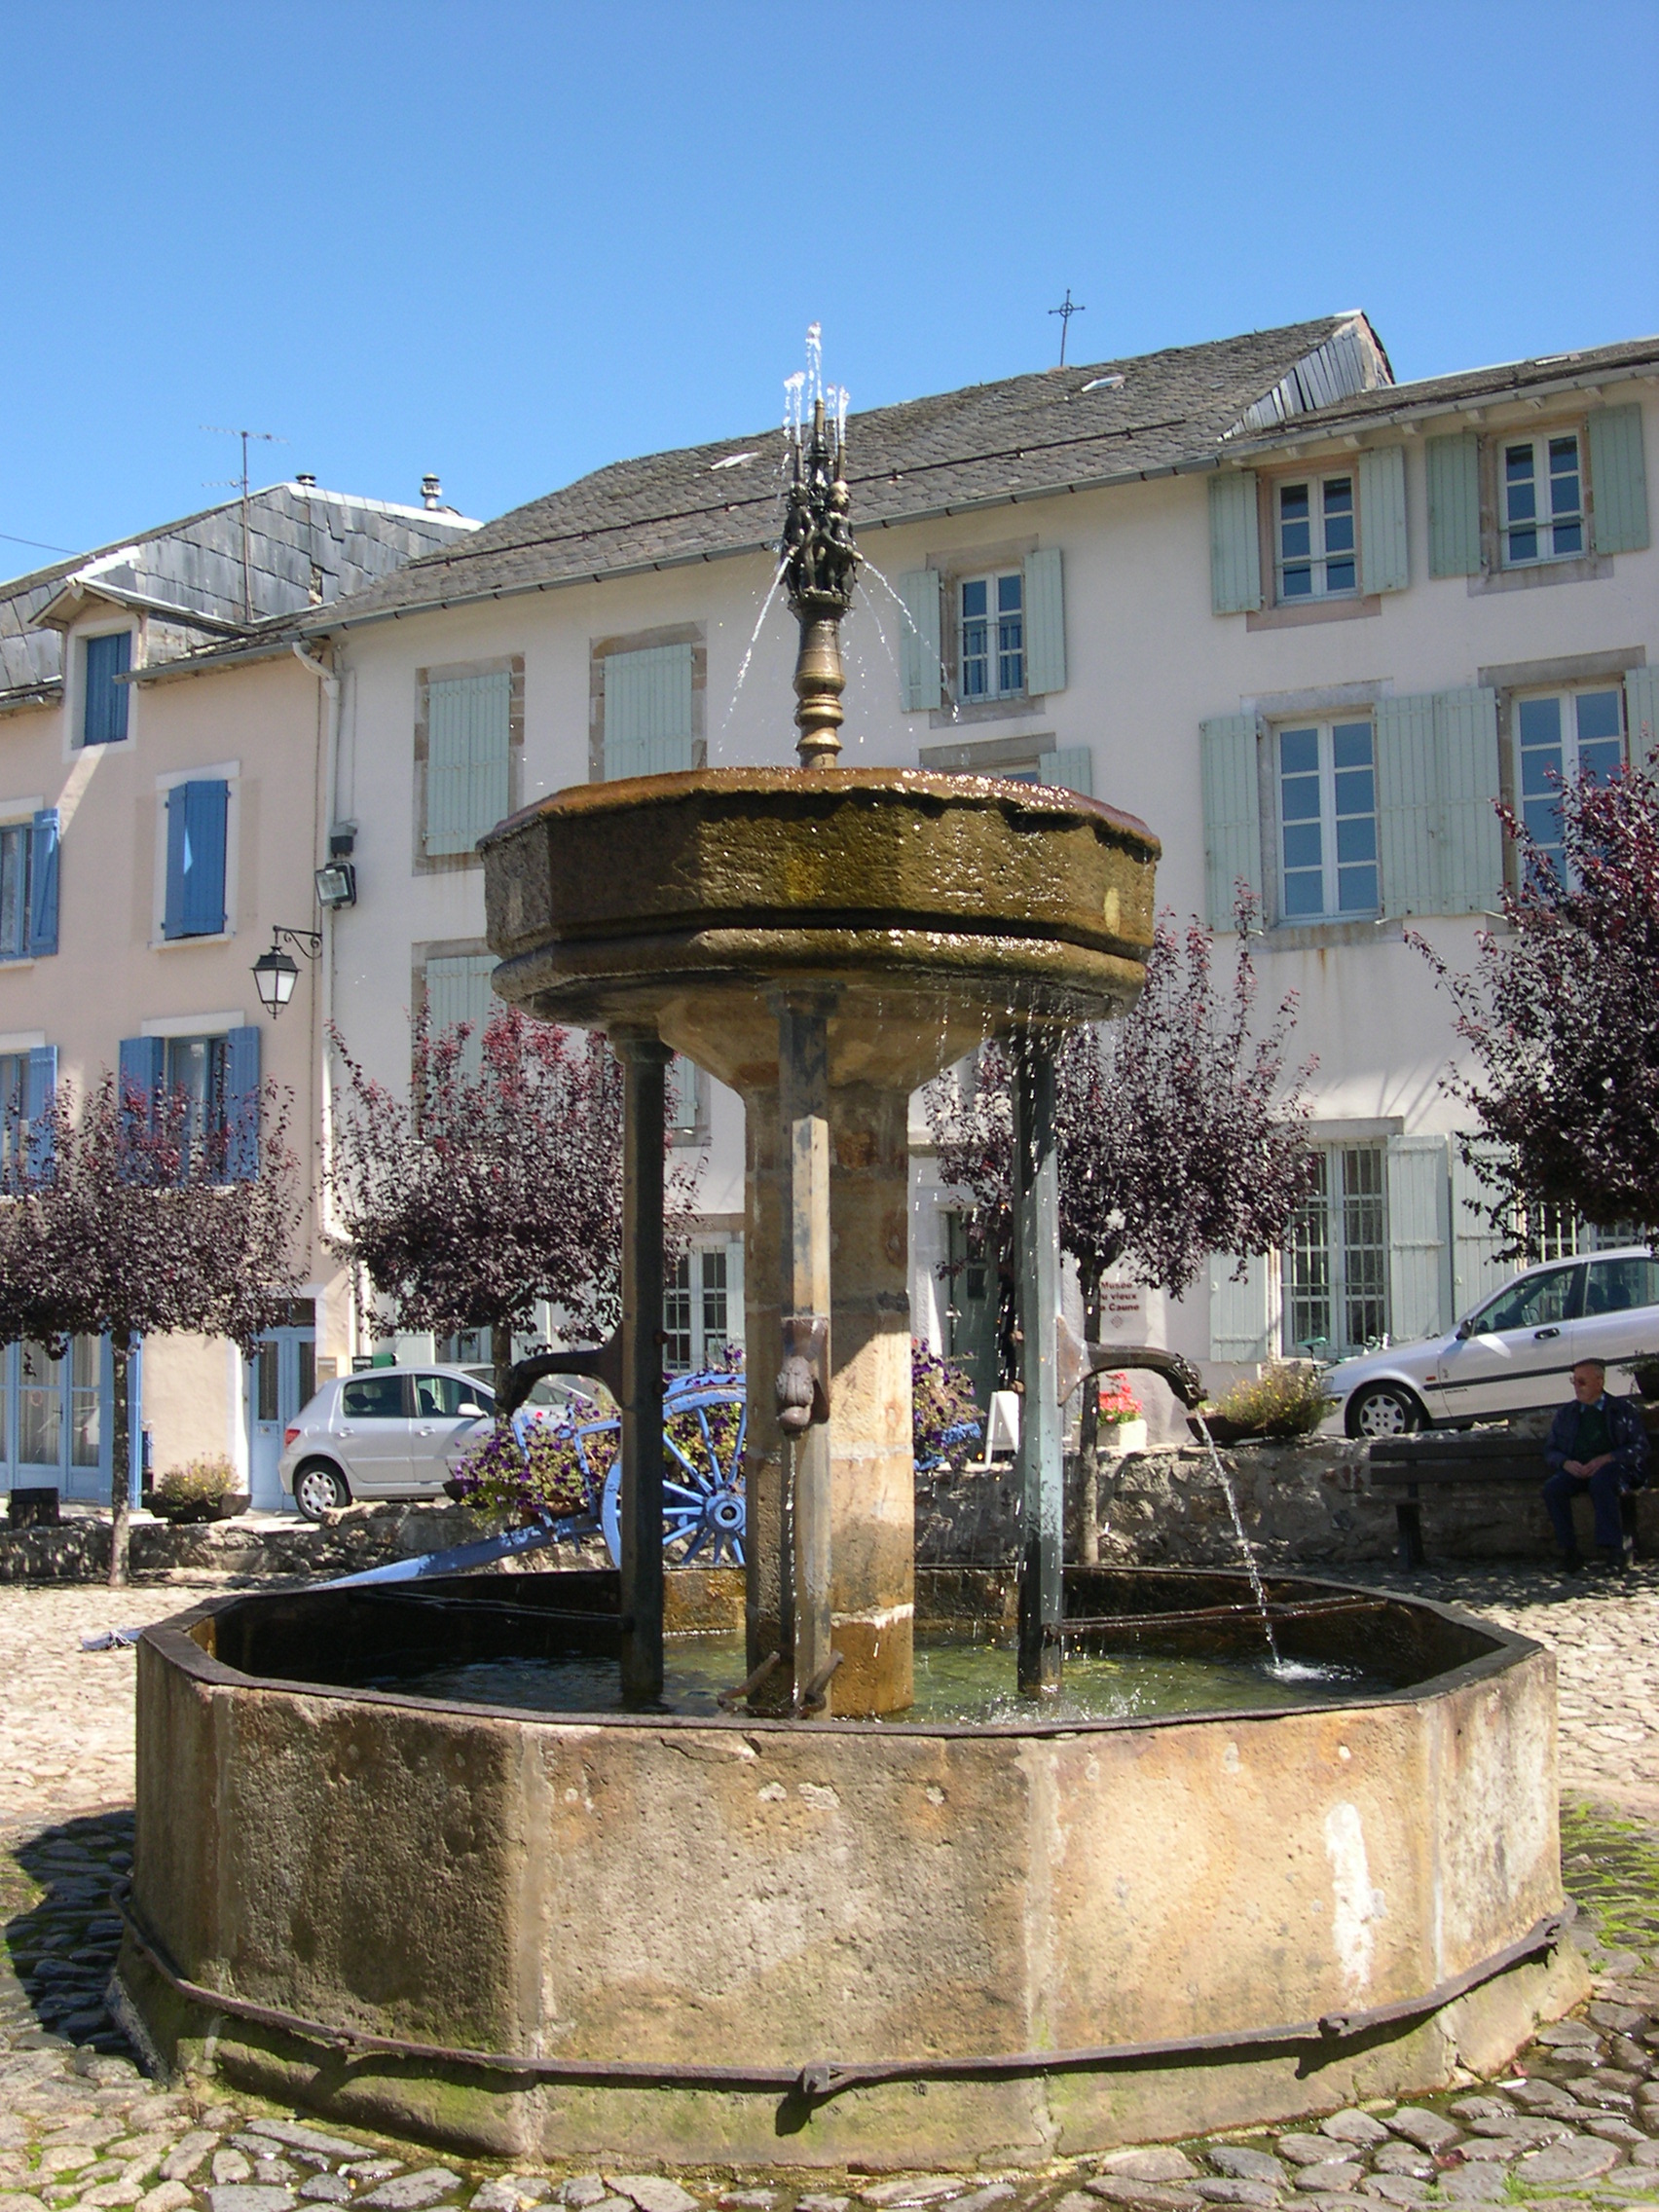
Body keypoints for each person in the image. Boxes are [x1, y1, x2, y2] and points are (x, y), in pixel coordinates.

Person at [1543, 1357, 1649, 1571]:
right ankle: (1570, 1551)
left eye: (1582, 1382)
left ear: (1599, 1382)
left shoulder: (1621, 1410)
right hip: (1579, 1469)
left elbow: (1640, 1446)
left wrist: (1608, 1458)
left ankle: (1614, 1550)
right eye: (1574, 1381)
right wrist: (1565, 1463)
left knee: (1601, 1483)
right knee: (1553, 1489)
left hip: (1614, 1469)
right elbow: (1551, 1449)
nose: (1576, 1387)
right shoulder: (1567, 1414)